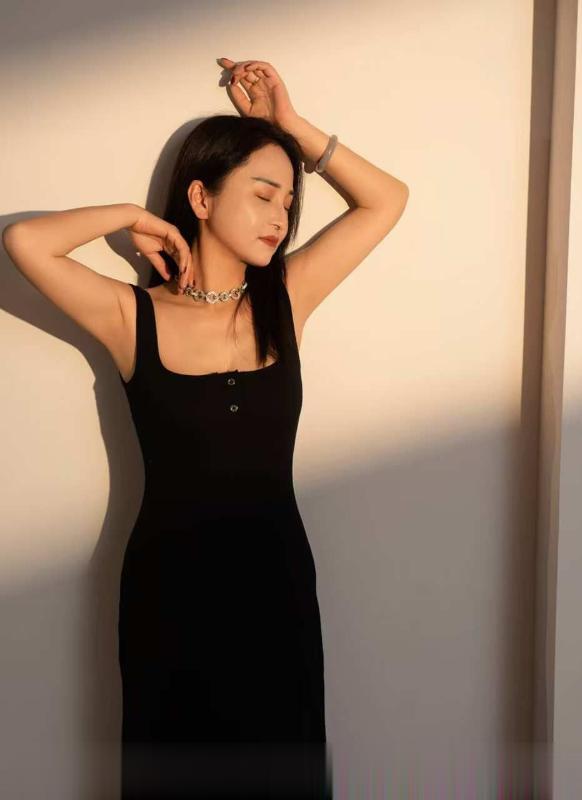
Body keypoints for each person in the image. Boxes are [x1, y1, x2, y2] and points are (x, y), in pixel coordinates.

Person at [2, 58, 409, 798]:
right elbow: (25, 243)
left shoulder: (287, 297)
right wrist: (129, 217)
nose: (280, 216)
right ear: (200, 196)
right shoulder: (131, 316)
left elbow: (386, 200)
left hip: (276, 591)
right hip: (170, 594)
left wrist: (290, 127)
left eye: (289, 201)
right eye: (262, 194)